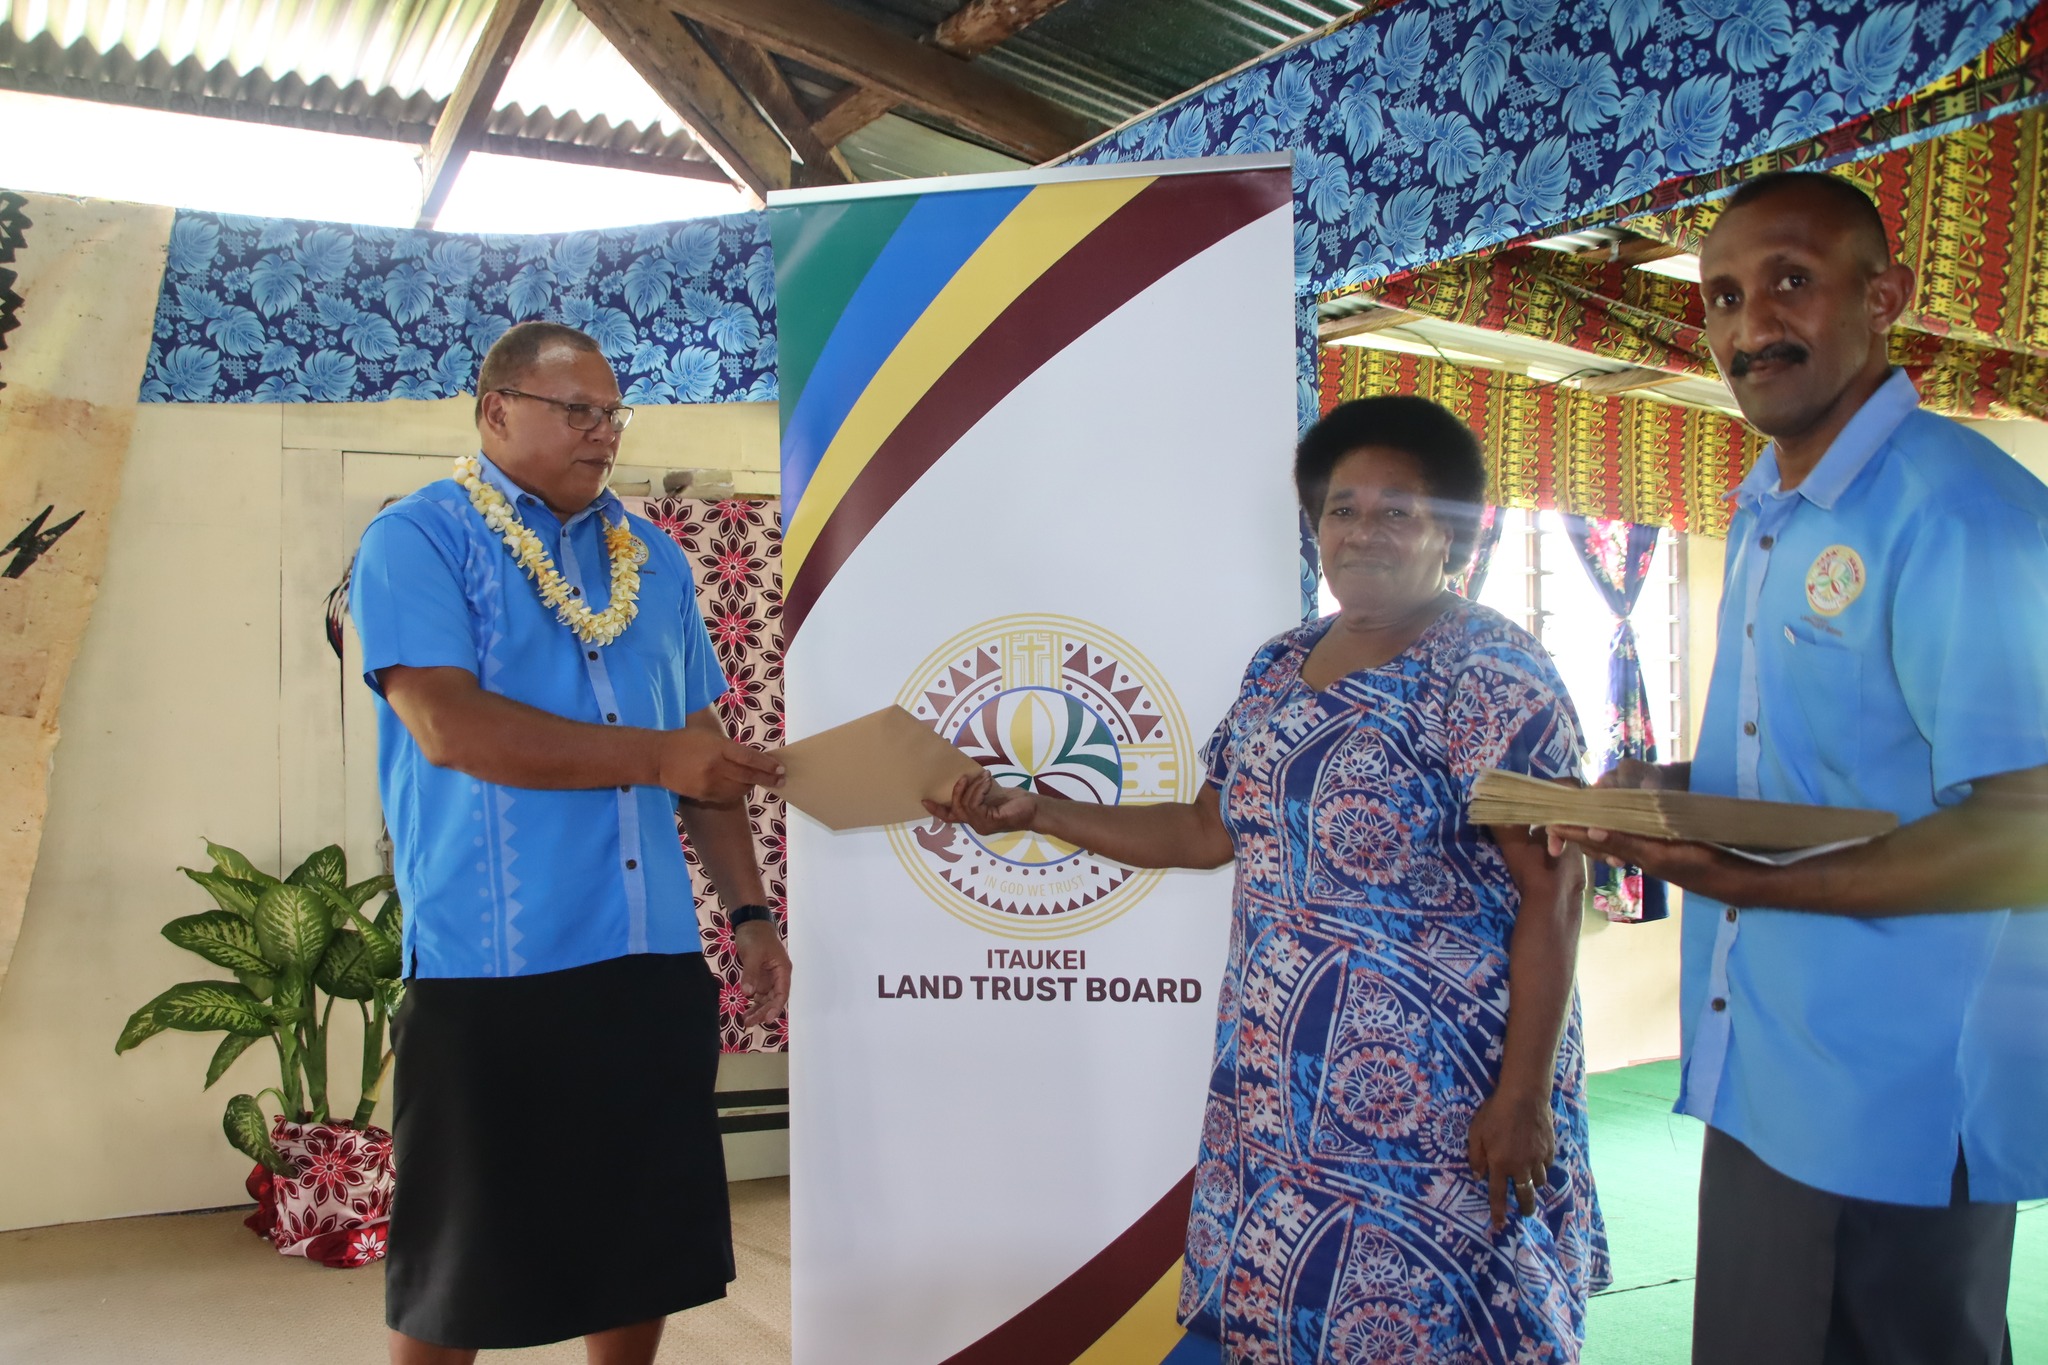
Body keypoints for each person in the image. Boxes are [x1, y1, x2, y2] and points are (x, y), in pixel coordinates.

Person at [928, 396, 1610, 1364]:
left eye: (1397, 511)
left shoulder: (1492, 671)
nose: (1362, 532)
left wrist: (1524, 1096)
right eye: (1341, 509)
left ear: (1451, 536)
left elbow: (1555, 890)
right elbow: (1206, 829)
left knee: (1438, 1330)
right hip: (1282, 1096)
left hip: (1441, 1102)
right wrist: (1037, 810)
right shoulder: (1279, 665)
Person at [1550, 171, 2048, 1365]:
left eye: (1789, 282)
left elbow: (2024, 827)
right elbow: (1818, 772)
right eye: (1722, 296)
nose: (1749, 325)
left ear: (1884, 297)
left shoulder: (1958, 510)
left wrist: (1736, 879)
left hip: (1894, 1087)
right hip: (1764, 1059)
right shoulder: (1771, 510)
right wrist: (1666, 793)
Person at [349, 321, 791, 1365]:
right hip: (492, 959)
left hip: (647, 952)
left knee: (643, 1243)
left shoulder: (656, 560)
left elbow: (700, 749)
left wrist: (749, 914)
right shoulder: (417, 539)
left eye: (613, 413)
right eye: (577, 411)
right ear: (496, 411)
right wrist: (659, 758)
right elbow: (450, 726)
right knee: (460, 1262)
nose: (604, 432)